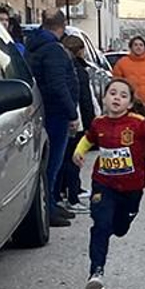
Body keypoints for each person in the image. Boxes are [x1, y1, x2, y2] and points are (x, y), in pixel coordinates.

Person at [73, 77, 145, 289]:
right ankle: (96, 271)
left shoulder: (138, 124)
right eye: (112, 93)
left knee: (120, 229)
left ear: (130, 103)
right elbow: (88, 138)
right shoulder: (98, 123)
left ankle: (117, 224)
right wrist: (79, 152)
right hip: (103, 183)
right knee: (100, 225)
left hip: (132, 188)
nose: (117, 98)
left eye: (123, 95)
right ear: (104, 98)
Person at [23, 10, 81, 228]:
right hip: (55, 113)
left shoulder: (34, 46)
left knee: (49, 163)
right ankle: (48, 209)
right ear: (62, 26)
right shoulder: (54, 50)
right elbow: (59, 85)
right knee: (52, 163)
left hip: (44, 110)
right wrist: (72, 114)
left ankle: (52, 204)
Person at [59, 33, 97, 211]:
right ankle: (72, 197)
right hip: (77, 120)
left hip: (68, 118)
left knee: (67, 158)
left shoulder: (66, 67)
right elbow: (85, 99)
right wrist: (91, 124)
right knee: (74, 159)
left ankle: (67, 192)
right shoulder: (78, 70)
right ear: (80, 51)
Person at [113, 35, 145, 123]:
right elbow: (116, 80)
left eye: (141, 45)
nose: (138, 47)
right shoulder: (122, 63)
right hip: (128, 103)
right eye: (136, 45)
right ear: (131, 47)